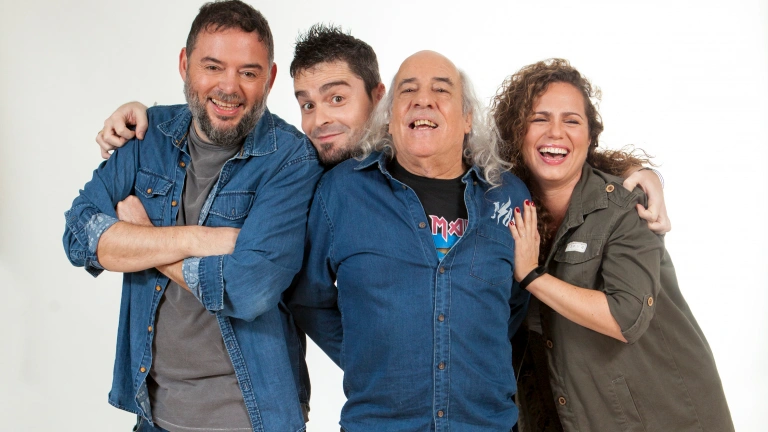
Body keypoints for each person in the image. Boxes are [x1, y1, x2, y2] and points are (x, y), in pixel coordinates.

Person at [62, 1, 323, 431]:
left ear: (270, 78)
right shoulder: (146, 137)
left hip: (253, 420)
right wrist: (200, 239)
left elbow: (248, 290)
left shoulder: (291, 159)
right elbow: (78, 237)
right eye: (213, 67)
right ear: (185, 65)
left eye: (249, 72)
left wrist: (141, 237)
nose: (229, 87)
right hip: (153, 417)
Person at [289, 50, 531, 431]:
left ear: (467, 117)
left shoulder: (509, 197)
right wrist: (365, 356)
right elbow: (308, 297)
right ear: (388, 116)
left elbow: (517, 300)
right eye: (408, 90)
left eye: (441, 90)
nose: (423, 100)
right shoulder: (342, 192)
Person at [491, 58, 734, 432]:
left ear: (590, 137)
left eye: (572, 121)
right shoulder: (506, 210)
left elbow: (626, 318)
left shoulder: (626, 207)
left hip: (667, 417)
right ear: (516, 131)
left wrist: (533, 277)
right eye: (539, 119)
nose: (555, 132)